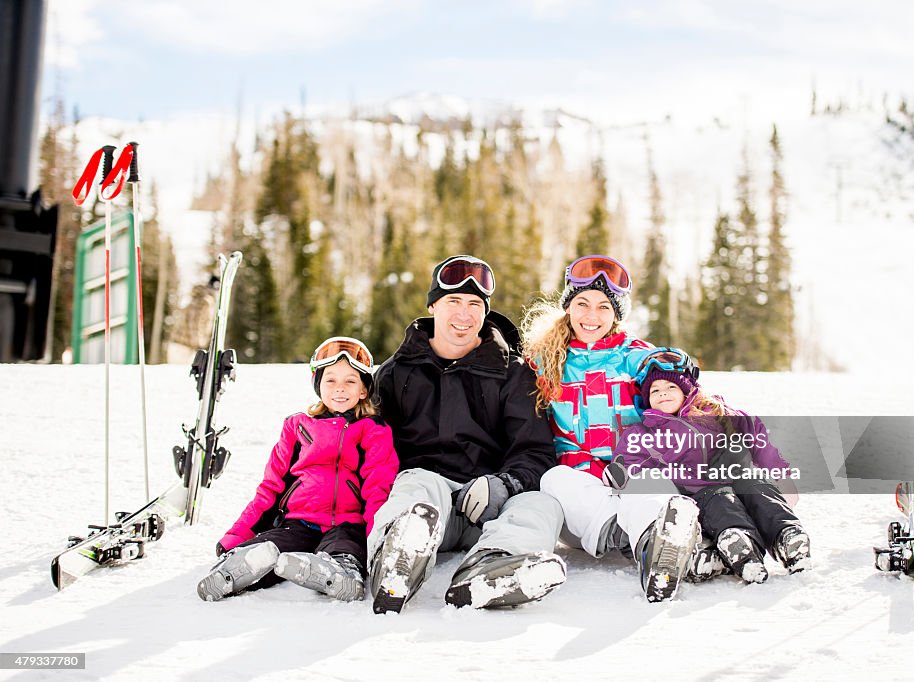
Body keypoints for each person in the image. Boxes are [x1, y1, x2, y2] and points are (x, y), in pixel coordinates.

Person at [368, 255, 565, 614]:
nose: (464, 314)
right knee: (416, 484)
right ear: (433, 306)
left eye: (475, 304)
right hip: (428, 510)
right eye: (453, 301)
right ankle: (394, 562)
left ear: (485, 312)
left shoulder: (512, 373)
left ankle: (490, 568)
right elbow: (370, 446)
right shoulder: (396, 373)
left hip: (486, 508)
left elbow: (534, 451)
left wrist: (504, 485)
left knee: (544, 504)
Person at [522, 255, 702, 602]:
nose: (592, 316)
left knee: (647, 485)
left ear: (616, 314)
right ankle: (633, 536)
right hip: (586, 497)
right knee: (552, 480)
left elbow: (671, 381)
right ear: (568, 306)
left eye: (604, 307)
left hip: (631, 476)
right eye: (583, 304)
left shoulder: (635, 356)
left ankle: (657, 548)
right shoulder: (543, 360)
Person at [197, 337, 398, 602]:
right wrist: (238, 533)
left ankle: (339, 573)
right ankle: (237, 569)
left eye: (350, 381)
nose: (340, 388)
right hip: (299, 522)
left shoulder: (373, 430)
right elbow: (271, 486)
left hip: (348, 524)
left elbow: (378, 488)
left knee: (346, 549)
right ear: (318, 386)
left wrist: (376, 542)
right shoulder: (298, 426)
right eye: (331, 380)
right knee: (271, 547)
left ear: (363, 390)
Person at [608, 348, 811, 583]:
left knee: (758, 486)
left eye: (671, 387)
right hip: (702, 492)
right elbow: (631, 464)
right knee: (720, 501)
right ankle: (740, 546)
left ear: (687, 389)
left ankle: (788, 536)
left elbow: (758, 440)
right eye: (655, 390)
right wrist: (625, 473)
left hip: (740, 477)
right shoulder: (644, 431)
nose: (663, 394)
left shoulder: (716, 412)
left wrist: (781, 475)